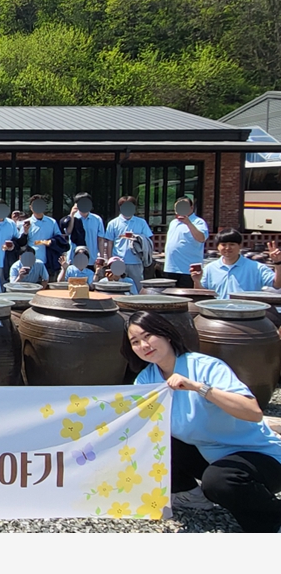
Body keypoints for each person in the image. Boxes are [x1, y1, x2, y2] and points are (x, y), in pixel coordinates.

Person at [123, 310, 281, 532]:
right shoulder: (146, 380)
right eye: (135, 342)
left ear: (166, 334)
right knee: (156, 439)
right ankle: (190, 494)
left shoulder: (206, 367)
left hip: (260, 456)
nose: (144, 345)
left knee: (219, 481)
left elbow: (253, 412)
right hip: (208, 453)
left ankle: (273, 522)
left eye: (148, 336)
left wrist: (199, 388)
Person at [193, 230, 281, 298]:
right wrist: (196, 281)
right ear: (217, 247)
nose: (227, 248)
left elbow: (277, 285)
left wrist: (278, 263)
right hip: (217, 312)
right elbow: (202, 294)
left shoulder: (256, 267)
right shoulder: (210, 268)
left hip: (248, 312)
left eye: (232, 244)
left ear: (240, 246)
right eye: (223, 245)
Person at [105, 196, 153, 292]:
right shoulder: (113, 223)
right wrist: (109, 260)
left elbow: (148, 239)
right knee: (117, 288)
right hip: (118, 261)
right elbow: (109, 242)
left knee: (138, 288)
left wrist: (137, 238)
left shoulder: (141, 222)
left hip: (136, 261)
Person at [164, 196, 209, 288]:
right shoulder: (173, 222)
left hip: (188, 269)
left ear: (191, 208)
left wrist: (188, 223)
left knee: (186, 294)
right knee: (170, 294)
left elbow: (201, 238)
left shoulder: (198, 222)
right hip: (171, 267)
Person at [60, 192, 106, 267]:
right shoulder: (71, 217)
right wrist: (72, 215)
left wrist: (101, 257)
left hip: (92, 259)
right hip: (74, 258)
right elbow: (68, 232)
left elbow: (100, 239)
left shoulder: (97, 219)